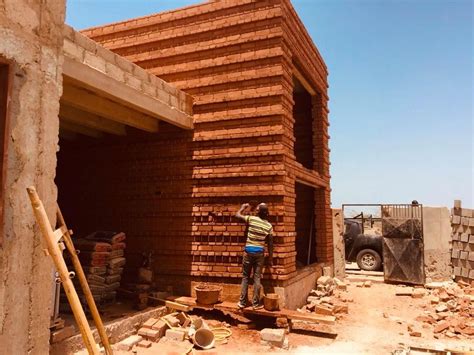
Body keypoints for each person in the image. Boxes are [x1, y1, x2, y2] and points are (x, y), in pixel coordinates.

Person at [235, 202, 273, 309]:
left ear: (258, 212)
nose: (255, 210)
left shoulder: (252, 219)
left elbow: (237, 215)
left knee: (245, 277)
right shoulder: (269, 226)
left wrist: (242, 208)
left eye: (256, 209)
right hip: (259, 253)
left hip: (248, 251)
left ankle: (242, 303)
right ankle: (255, 304)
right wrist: (270, 258)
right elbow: (270, 244)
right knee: (257, 278)